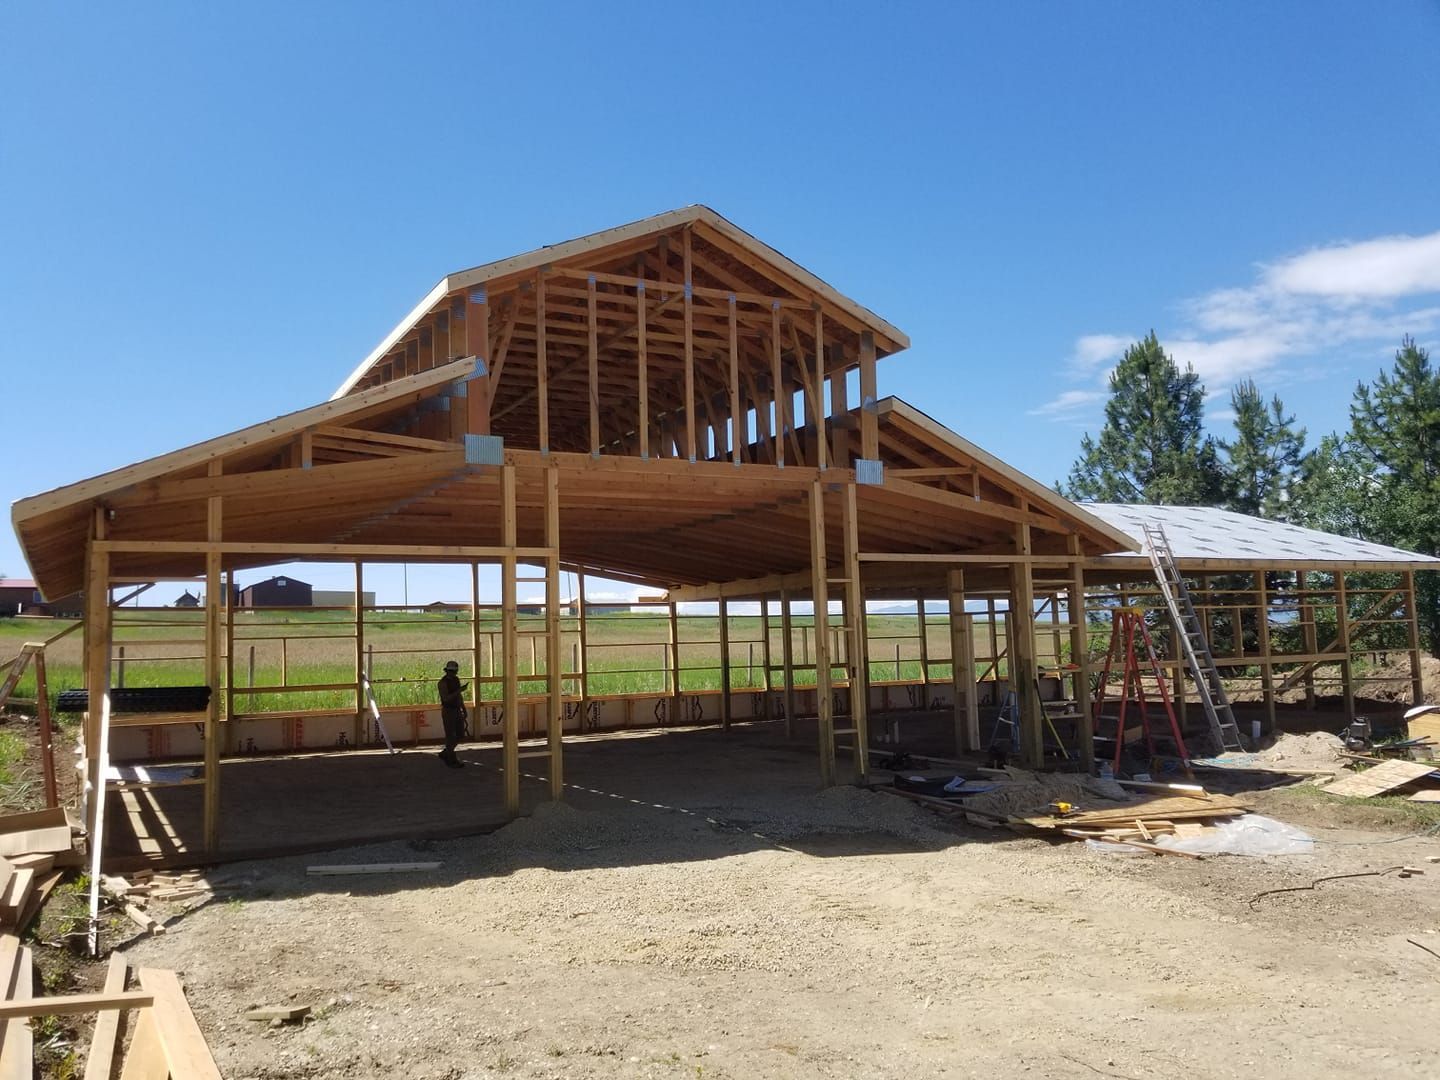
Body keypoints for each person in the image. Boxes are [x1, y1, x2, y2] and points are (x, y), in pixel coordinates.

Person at [437, 660, 468, 768]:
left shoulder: (456, 680)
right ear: (447, 671)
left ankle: (447, 752)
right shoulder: (442, 683)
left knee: (460, 735)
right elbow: (446, 698)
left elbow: (459, 696)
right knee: (450, 736)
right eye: (452, 671)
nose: (454, 673)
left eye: (455, 671)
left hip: (456, 709)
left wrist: (463, 708)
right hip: (448, 710)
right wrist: (459, 691)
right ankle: (451, 759)